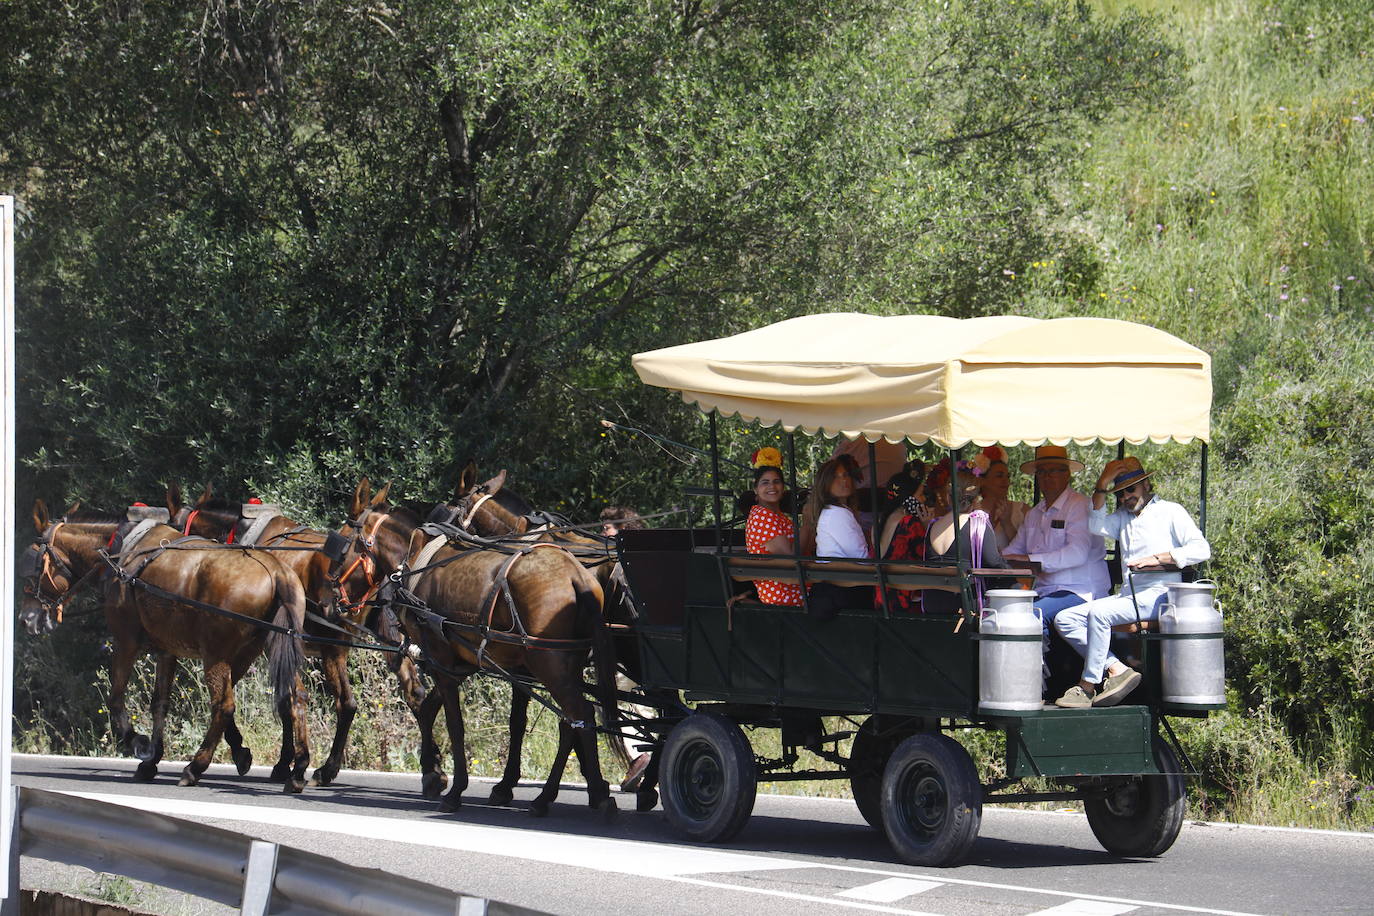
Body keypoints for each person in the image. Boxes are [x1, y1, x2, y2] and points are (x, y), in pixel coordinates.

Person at [1052, 456, 1211, 708]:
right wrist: (1101, 485)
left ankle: (1087, 686)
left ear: (1146, 485)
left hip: (1161, 595)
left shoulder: (1170, 511)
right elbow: (1095, 525)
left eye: (1131, 489)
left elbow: (1201, 549)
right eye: (1121, 493)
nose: (1126, 497)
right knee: (1065, 618)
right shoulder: (1124, 517)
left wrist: (1158, 559)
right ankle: (1116, 668)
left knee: (1099, 612)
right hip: (1130, 595)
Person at [1002, 445, 1110, 631]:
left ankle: (1039, 661)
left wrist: (1029, 560)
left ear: (1066, 474)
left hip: (1080, 590)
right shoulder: (1034, 513)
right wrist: (991, 559)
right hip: (1045, 591)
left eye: (1053, 471)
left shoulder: (1080, 505)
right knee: (1001, 609)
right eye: (1041, 472)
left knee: (1031, 617)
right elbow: (1014, 551)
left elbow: (1076, 554)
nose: (1046, 476)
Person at [921, 464, 1009, 616]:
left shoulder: (933, 525)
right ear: (976, 498)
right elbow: (994, 563)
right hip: (964, 607)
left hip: (932, 604)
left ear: (948, 497)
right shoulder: (977, 524)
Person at [800, 454, 870, 618]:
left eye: (845, 475)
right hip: (846, 588)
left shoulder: (835, 511)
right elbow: (861, 557)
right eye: (836, 478)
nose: (843, 481)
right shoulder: (837, 513)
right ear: (826, 485)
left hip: (840, 584)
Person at [742, 448, 804, 607]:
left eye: (777, 481)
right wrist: (809, 524)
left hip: (795, 586)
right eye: (765, 482)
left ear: (783, 487)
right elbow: (791, 560)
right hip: (784, 594)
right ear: (756, 489)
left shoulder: (777, 515)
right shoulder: (762, 516)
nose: (772, 487)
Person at [877, 462, 933, 614]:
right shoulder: (909, 522)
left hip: (882, 594)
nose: (923, 500)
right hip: (903, 598)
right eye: (920, 495)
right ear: (908, 498)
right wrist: (926, 526)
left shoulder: (882, 520)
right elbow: (926, 557)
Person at [971, 446, 1029, 548]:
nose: (1005, 481)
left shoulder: (1022, 510)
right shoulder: (972, 511)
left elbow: (1028, 550)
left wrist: (1007, 523)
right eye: (999, 476)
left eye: (1008, 476)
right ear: (982, 481)